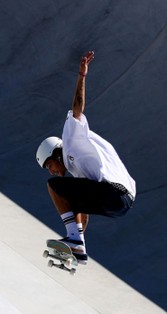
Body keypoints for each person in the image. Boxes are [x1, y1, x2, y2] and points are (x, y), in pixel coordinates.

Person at [35, 51, 136, 264]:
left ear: (56, 154)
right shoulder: (79, 166)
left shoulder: (70, 139)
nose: (52, 170)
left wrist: (81, 76)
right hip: (123, 203)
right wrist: (78, 244)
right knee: (74, 201)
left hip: (115, 192)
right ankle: (78, 247)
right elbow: (83, 213)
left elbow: (78, 108)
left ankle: (75, 241)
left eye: (49, 165)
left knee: (54, 186)